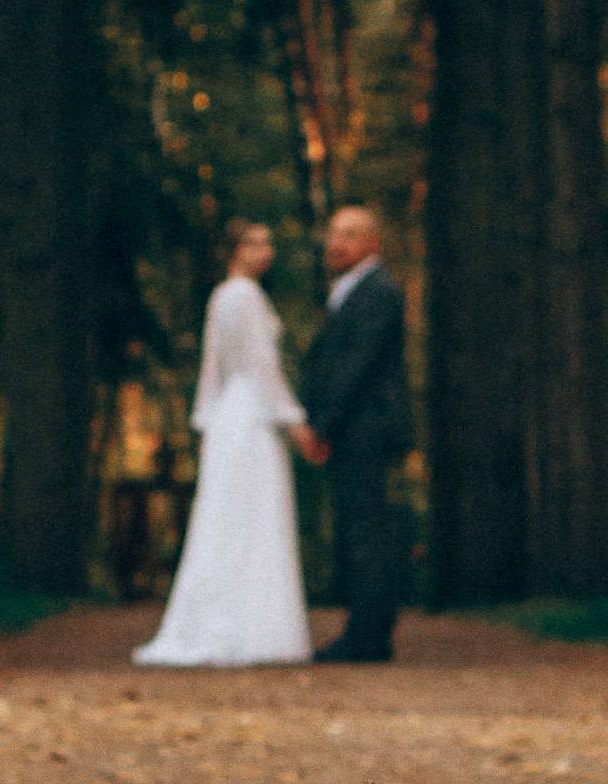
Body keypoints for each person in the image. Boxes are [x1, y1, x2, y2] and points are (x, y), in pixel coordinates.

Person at [130, 220, 312, 669]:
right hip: (252, 417)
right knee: (253, 515)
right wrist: (294, 420)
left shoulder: (221, 296)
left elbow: (212, 371)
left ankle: (227, 621)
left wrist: (208, 423)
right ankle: (253, 629)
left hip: (231, 416)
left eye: (268, 242)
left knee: (228, 517)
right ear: (233, 249)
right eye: (254, 242)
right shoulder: (245, 296)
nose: (265, 250)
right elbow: (260, 366)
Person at [297, 205, 412, 664]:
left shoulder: (378, 290)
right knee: (358, 528)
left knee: (365, 530)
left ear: (372, 243)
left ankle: (368, 636)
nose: (335, 242)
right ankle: (367, 631)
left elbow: (355, 365)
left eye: (348, 234)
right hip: (355, 426)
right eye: (332, 234)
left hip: (367, 426)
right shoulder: (349, 289)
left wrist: (322, 424)